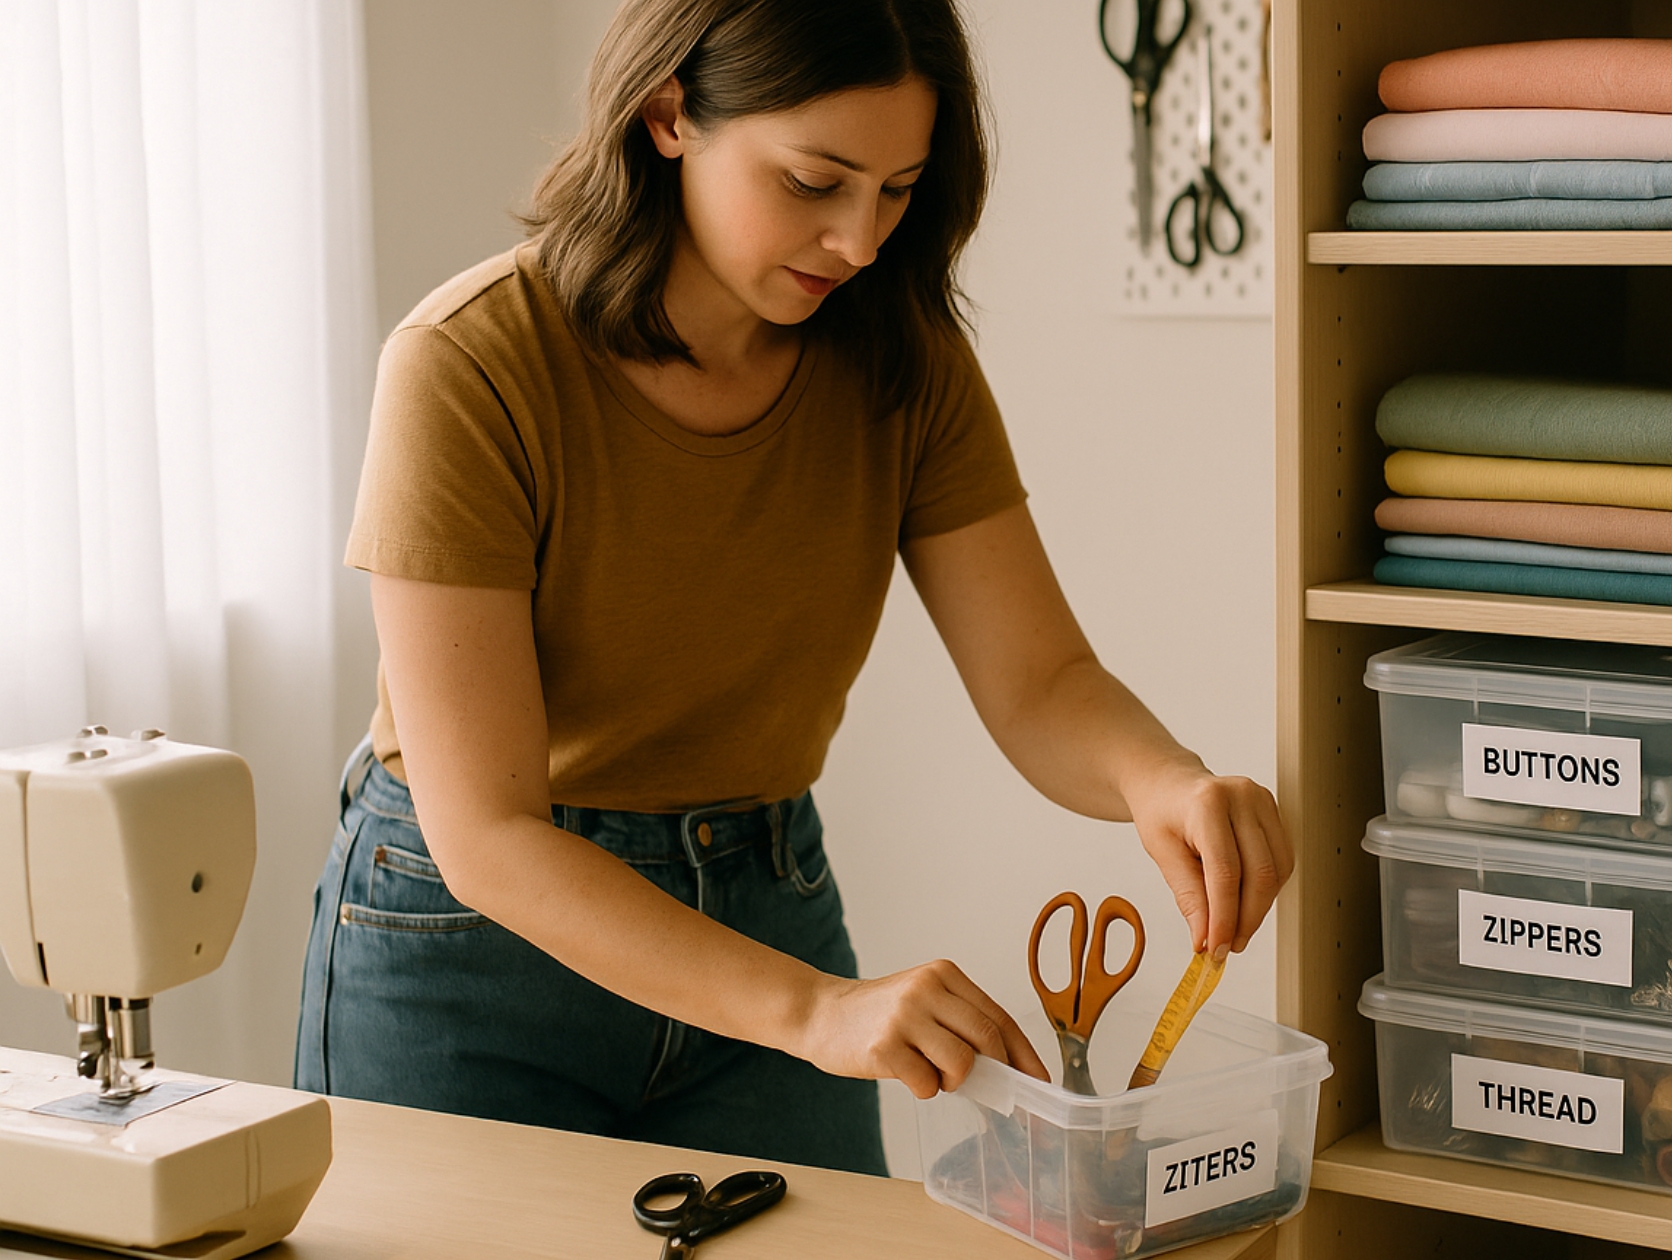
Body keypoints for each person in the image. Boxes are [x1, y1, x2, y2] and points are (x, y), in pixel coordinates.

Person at [292, 0, 1291, 1176]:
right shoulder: (466, 366)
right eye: (815, 182)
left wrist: (1162, 781)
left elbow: (1040, 680)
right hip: (473, 946)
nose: (860, 242)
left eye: (897, 189)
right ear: (669, 115)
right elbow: (493, 837)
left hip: (764, 895)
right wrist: (819, 1013)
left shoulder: (902, 360)